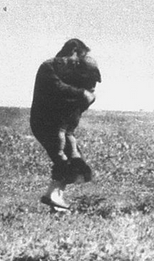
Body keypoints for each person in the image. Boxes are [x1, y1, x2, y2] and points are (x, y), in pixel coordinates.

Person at [30, 38, 101, 211]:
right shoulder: (48, 67)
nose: (78, 62)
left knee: (75, 162)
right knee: (62, 159)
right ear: (74, 51)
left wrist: (85, 94)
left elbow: (79, 100)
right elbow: (57, 88)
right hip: (46, 124)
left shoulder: (70, 72)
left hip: (63, 127)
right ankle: (53, 196)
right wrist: (82, 93)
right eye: (79, 57)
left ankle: (56, 198)